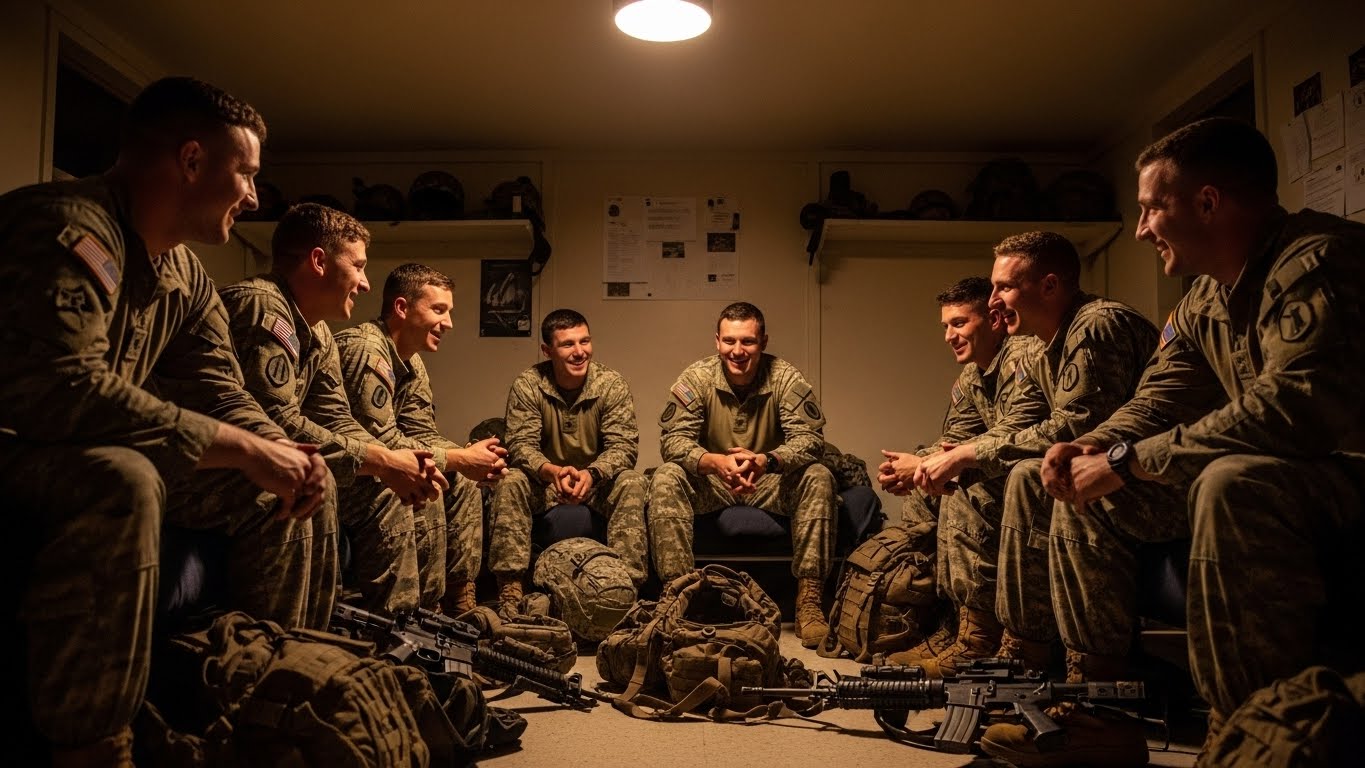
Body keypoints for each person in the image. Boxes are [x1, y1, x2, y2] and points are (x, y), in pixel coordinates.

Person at [981, 117, 1365, 767]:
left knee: (1232, 481)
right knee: (1083, 482)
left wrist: (1130, 461)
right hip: (1295, 479)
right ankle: (1098, 712)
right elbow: (1160, 397)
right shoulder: (1201, 302)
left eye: (1150, 208)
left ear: (1207, 202)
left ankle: (1245, 735)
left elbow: (1294, 411)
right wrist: (1092, 446)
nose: (1138, 229)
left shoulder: (1316, 262)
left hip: (1343, 474)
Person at [0, 76, 332, 767]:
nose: (252, 196)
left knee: (284, 478)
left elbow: (219, 389)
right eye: (245, 174)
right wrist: (242, 446)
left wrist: (281, 452)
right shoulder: (65, 225)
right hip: (21, 450)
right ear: (190, 161)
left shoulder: (183, 274)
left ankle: (264, 706)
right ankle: (95, 750)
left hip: (73, 450)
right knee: (121, 478)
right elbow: (56, 389)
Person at [934, 231, 1161, 686]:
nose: (993, 300)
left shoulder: (1095, 326)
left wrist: (970, 453)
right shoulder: (1044, 345)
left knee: (1022, 476)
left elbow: (1075, 430)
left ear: (1051, 286)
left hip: (1149, 479)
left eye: (1004, 287)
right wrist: (950, 456)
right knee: (1012, 473)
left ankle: (1085, 676)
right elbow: (1022, 428)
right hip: (1104, 474)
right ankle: (1019, 649)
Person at [219, 203, 449, 617]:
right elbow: (276, 422)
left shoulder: (319, 330)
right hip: (221, 467)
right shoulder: (263, 307)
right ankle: (294, 647)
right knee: (312, 480)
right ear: (319, 261)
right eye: (358, 266)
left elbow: (335, 417)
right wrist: (381, 459)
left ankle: (402, 630)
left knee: (390, 485)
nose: (364, 284)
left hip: (274, 459)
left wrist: (399, 462)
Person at [876, 277, 1047, 675]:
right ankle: (953, 622)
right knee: (925, 492)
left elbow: (1019, 431)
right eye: (946, 327)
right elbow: (954, 440)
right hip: (1005, 469)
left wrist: (922, 465)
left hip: (1039, 475)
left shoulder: (1025, 355)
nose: (949, 336)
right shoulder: (973, 376)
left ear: (993, 320)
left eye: (958, 324)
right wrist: (914, 465)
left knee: (964, 488)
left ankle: (978, 641)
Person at [649, 301, 837, 647]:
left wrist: (766, 460)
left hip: (769, 480)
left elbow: (810, 441)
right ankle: (676, 597)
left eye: (748, 341)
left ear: (763, 341)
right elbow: (673, 441)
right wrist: (714, 462)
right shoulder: (697, 378)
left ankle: (809, 600)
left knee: (818, 475)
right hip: (713, 482)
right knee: (666, 477)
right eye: (730, 341)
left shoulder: (785, 377)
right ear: (717, 342)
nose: (738, 351)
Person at [334, 263, 509, 614]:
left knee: (461, 481)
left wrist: (473, 457)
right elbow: (380, 443)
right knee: (427, 482)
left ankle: (459, 600)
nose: (448, 323)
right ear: (402, 308)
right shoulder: (366, 349)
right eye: (439, 310)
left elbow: (419, 433)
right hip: (348, 470)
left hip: (380, 463)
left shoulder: (411, 363)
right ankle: (419, 612)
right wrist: (460, 459)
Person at [489, 309, 649, 605]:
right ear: (548, 350)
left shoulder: (611, 384)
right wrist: (552, 472)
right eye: (568, 345)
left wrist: (592, 474)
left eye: (584, 342)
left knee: (632, 482)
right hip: (546, 484)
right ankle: (510, 584)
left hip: (597, 485)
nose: (579, 352)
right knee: (511, 480)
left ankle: (628, 585)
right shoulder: (529, 384)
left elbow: (624, 446)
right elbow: (521, 445)